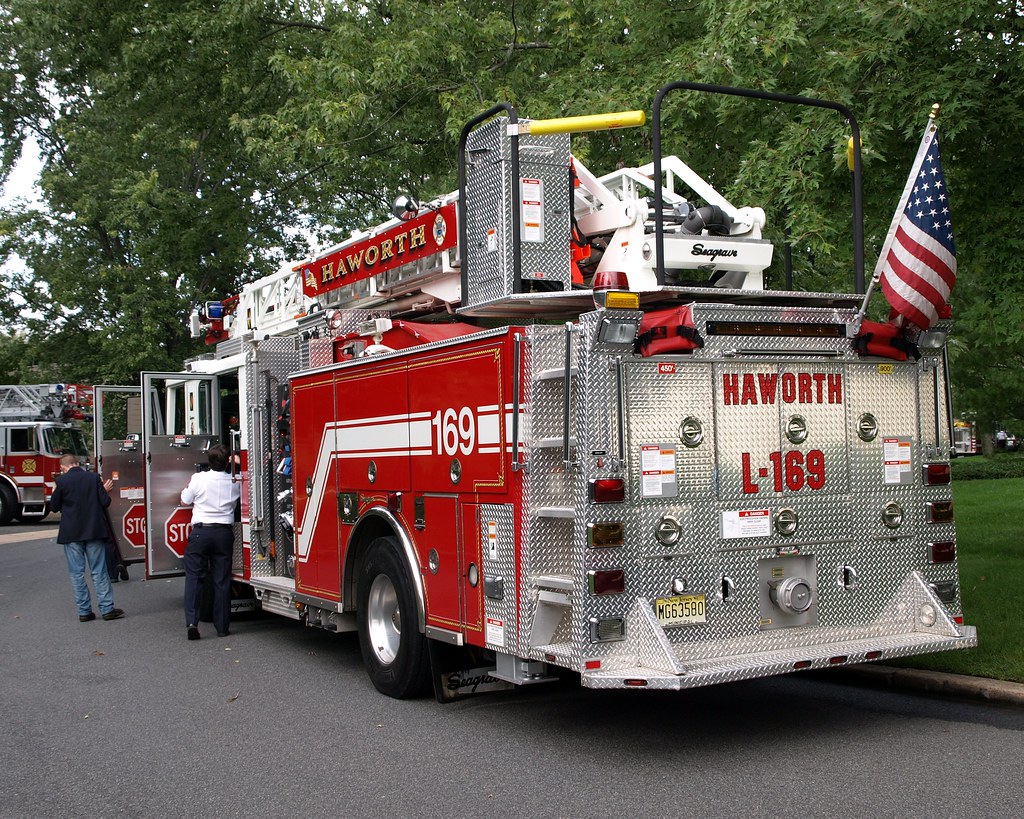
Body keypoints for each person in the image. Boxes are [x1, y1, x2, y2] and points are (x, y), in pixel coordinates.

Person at [50, 455, 125, 622]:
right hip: (94, 531)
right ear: (78, 464)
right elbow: (105, 502)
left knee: (77, 574)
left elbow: (54, 507)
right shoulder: (93, 478)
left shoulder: (62, 482)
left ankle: (84, 611)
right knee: (99, 571)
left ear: (63, 467)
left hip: (71, 534)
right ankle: (107, 609)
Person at [180, 443, 240, 640]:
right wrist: (237, 464)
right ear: (228, 461)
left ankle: (192, 622)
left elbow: (185, 500)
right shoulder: (235, 480)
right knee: (221, 580)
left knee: (194, 577)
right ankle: (222, 627)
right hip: (223, 533)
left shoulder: (199, 479)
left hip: (201, 533)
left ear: (209, 461)